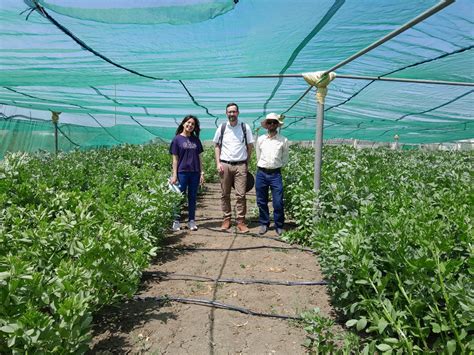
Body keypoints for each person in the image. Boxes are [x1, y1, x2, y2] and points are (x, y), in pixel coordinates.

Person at [213, 103, 254, 233]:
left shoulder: (244, 127)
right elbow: (216, 146)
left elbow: (250, 146)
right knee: (225, 194)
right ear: (226, 113)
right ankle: (226, 219)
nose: (232, 114)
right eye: (229, 112)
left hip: (240, 165)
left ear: (238, 112)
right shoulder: (222, 127)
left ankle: (241, 222)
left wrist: (246, 162)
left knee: (241, 195)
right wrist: (218, 163)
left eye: (234, 112)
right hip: (225, 164)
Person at [255, 113, 289, 236]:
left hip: (275, 174)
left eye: (274, 122)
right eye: (269, 122)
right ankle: (264, 223)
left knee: (278, 201)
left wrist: (275, 165)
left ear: (277, 125)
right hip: (261, 173)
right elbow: (258, 156)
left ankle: (279, 225)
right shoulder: (260, 139)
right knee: (261, 200)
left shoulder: (283, 140)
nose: (272, 125)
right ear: (266, 125)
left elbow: (285, 159)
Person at [169, 115, 205, 231]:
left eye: (193, 124)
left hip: (195, 173)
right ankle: (176, 221)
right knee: (179, 197)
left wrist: (202, 173)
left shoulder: (196, 140)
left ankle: (191, 221)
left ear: (195, 127)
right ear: (183, 124)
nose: (190, 125)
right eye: (188, 123)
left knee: (192, 197)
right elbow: (175, 159)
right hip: (182, 173)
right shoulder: (177, 139)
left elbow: (200, 158)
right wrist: (174, 175)